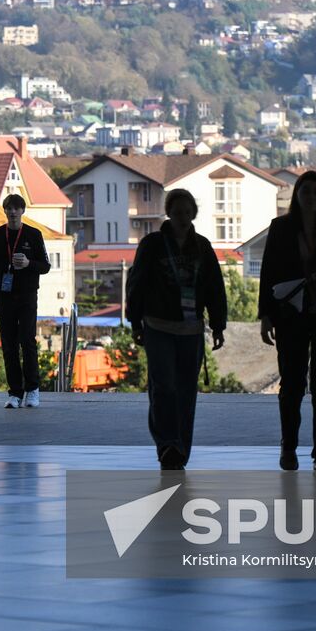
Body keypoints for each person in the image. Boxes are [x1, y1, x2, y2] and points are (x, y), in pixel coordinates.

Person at [126, 189, 227, 471]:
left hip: (191, 329)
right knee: (164, 388)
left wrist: (218, 325)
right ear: (168, 213)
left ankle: (181, 446)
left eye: (187, 212)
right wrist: (135, 322)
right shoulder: (153, 245)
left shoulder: (203, 247)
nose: (182, 217)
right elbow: (137, 284)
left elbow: (215, 289)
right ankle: (167, 444)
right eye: (177, 211)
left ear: (193, 214)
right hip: (158, 326)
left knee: (186, 391)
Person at [258, 172, 316, 472]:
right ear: (297, 195)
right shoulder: (281, 228)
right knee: (292, 386)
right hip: (290, 317)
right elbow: (268, 273)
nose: (310, 197)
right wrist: (266, 315)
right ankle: (289, 448)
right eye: (306, 191)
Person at [0, 194, 51, 408]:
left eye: (16, 209)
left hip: (27, 295)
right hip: (4, 295)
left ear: (22, 211)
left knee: (27, 341)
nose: (12, 213)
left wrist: (28, 263)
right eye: (9, 209)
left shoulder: (33, 234)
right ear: (4, 211)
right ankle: (15, 392)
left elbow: (45, 266)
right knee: (8, 344)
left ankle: (33, 389)